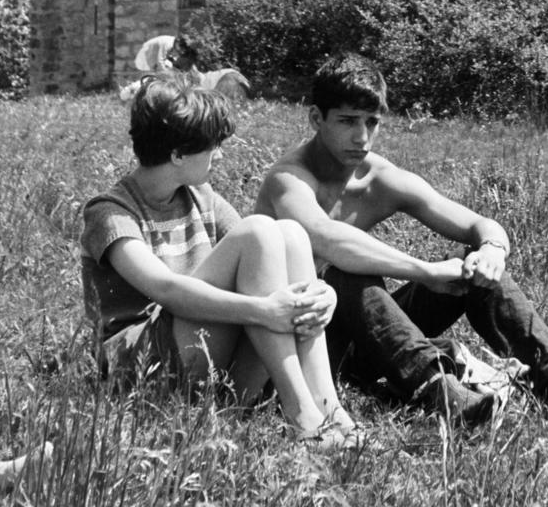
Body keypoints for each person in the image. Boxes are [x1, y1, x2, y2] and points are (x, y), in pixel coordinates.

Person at [254, 52, 548, 429]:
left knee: (470, 265)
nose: (361, 137)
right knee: (343, 274)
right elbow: (326, 239)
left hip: (371, 337)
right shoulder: (288, 179)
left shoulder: (379, 178)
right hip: (307, 345)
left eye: (372, 122)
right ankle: (440, 391)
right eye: (347, 120)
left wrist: (491, 252)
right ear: (315, 118)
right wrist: (424, 271)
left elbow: (481, 224)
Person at [81, 75, 357, 448]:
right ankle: (302, 416)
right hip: (146, 369)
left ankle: (329, 407)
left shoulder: (199, 195)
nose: (221, 155)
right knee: (259, 231)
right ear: (178, 155)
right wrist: (261, 310)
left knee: (288, 234)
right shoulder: (110, 213)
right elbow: (166, 290)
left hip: (208, 363)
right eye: (213, 146)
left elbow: (269, 259)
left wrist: (323, 293)